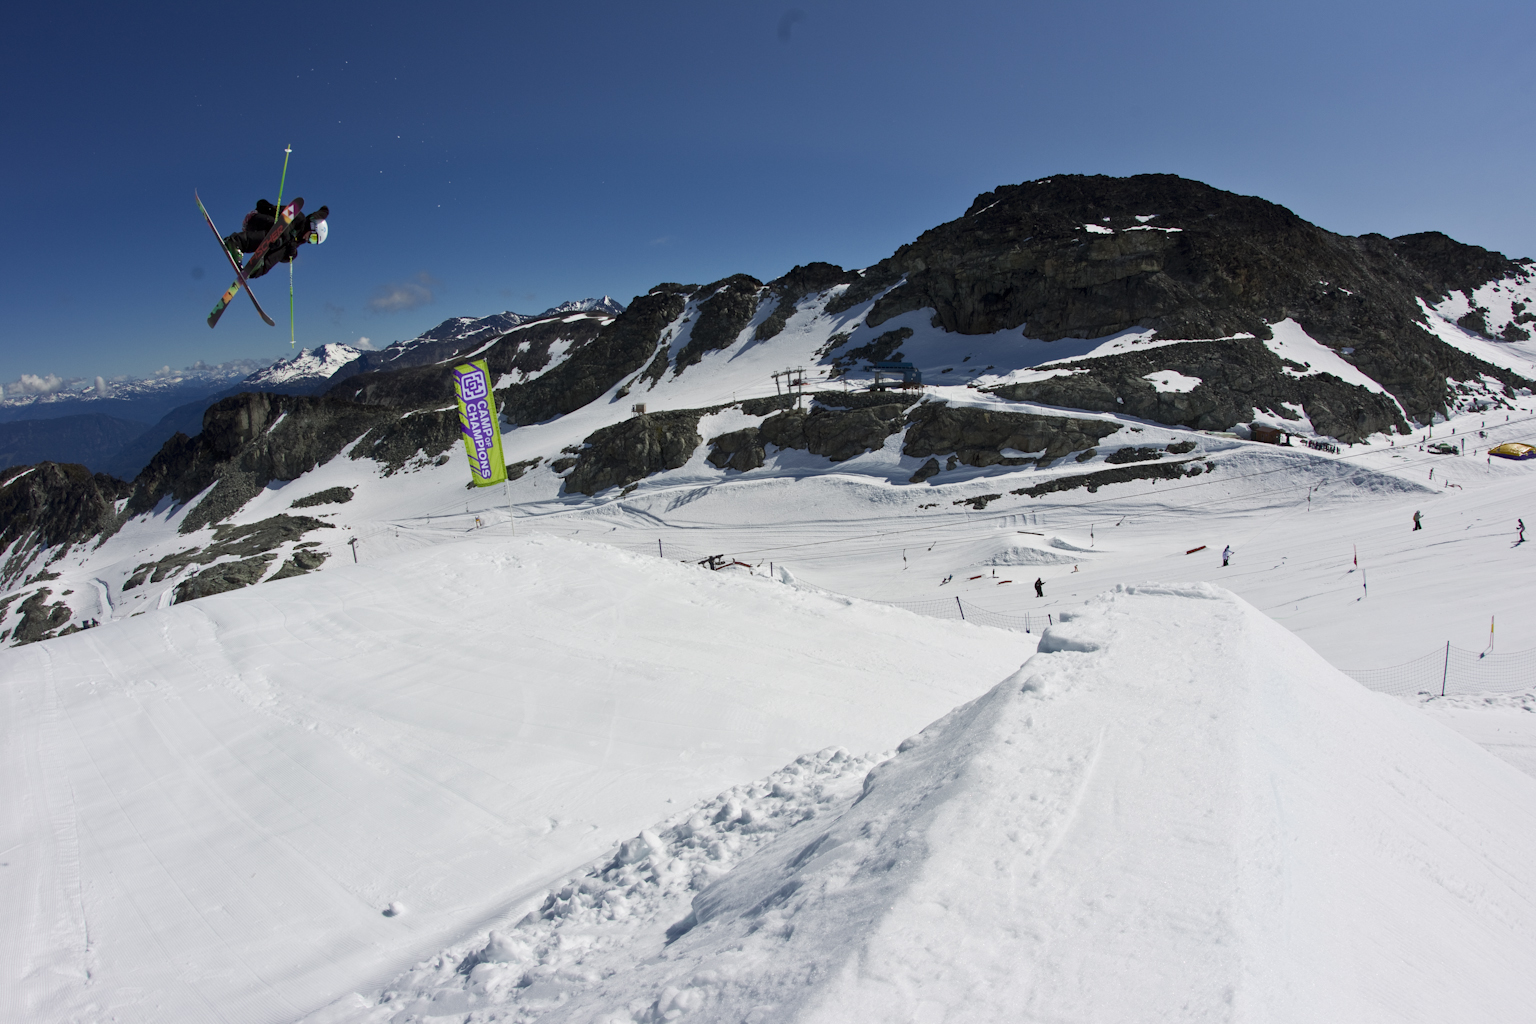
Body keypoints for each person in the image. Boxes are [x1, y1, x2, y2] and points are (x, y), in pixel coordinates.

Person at [224, 198, 329, 278]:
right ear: (312, 226)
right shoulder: (299, 218)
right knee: (282, 236)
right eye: (313, 237)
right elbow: (282, 218)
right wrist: (286, 238)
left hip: (264, 233)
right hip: (257, 219)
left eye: (313, 241)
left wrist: (290, 254)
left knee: (284, 249)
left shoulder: (299, 240)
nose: (309, 240)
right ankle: (236, 242)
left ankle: (257, 268)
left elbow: (282, 257)